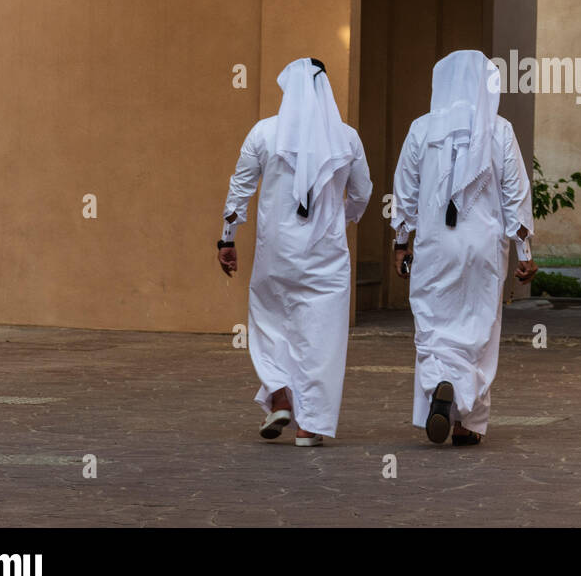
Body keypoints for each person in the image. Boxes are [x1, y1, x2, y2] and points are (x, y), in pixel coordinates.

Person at [218, 57, 371, 446]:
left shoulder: (263, 133)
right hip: (327, 255)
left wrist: (227, 238)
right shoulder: (347, 137)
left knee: (270, 325)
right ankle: (310, 426)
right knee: (322, 338)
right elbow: (363, 193)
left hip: (277, 252)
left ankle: (280, 395)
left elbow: (240, 190)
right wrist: (341, 220)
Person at [390, 50, 537, 446]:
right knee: (480, 326)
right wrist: (525, 252)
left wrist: (401, 243)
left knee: (434, 322)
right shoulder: (500, 130)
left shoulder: (422, 129)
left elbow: (404, 193)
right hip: (483, 247)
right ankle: (466, 422)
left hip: (436, 244)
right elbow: (516, 195)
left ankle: (442, 381)